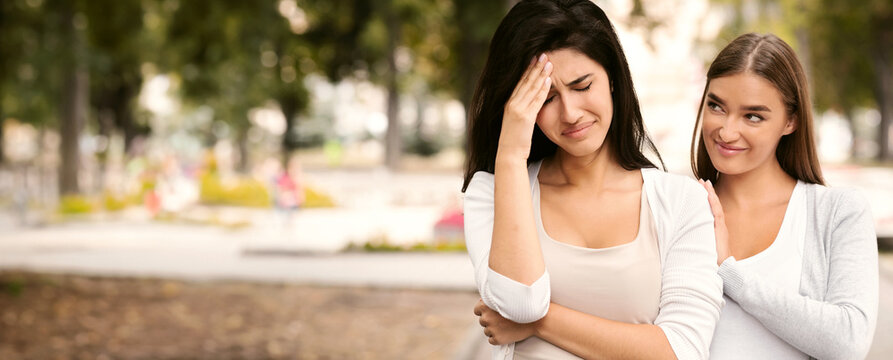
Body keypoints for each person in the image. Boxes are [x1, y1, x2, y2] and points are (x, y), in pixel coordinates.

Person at [462, 1, 723, 358]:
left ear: (613, 78)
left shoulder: (680, 202)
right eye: (546, 98)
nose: (570, 113)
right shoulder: (491, 192)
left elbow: (681, 352)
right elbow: (521, 303)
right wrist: (510, 154)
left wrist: (541, 323)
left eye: (582, 86)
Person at [690, 33, 879, 359]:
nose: (726, 131)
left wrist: (729, 273)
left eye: (753, 116)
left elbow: (848, 342)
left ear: (790, 120)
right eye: (716, 106)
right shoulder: (679, 206)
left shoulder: (837, 213)